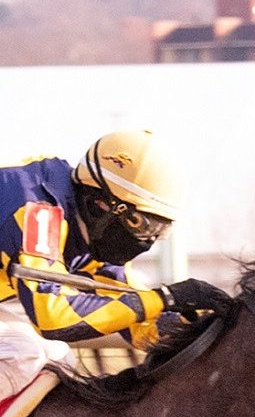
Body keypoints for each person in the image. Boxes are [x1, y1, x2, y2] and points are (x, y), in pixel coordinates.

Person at [0, 129, 223, 401]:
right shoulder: (38, 211)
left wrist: (209, 330)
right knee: (28, 355)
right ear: (103, 204)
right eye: (140, 223)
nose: (147, 239)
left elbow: (134, 316)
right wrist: (165, 297)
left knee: (56, 358)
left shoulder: (83, 227)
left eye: (159, 230)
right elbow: (53, 317)